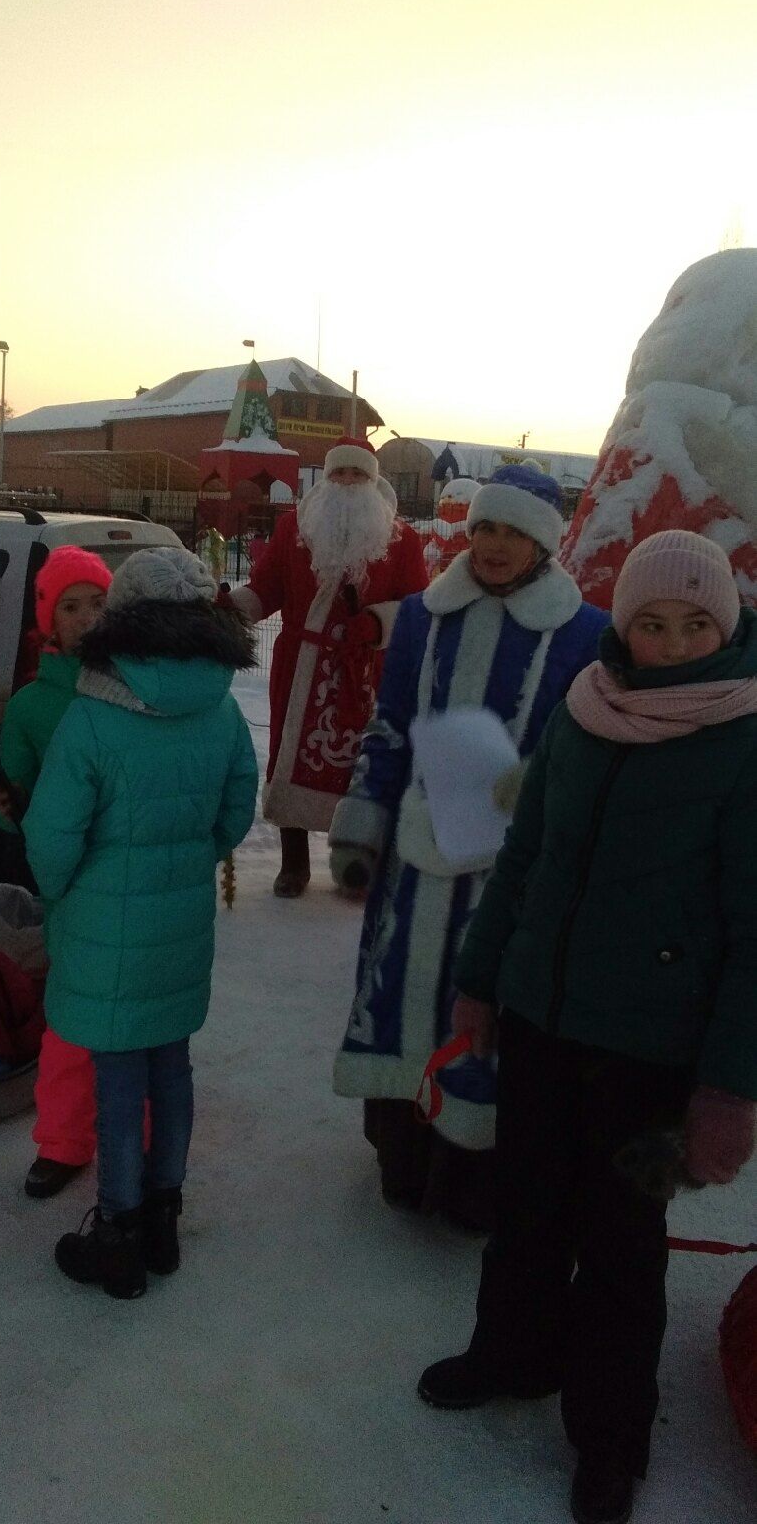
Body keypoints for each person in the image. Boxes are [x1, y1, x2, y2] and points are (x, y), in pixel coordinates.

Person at [417, 531, 757, 1524]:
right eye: (652, 623)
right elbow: (526, 859)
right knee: (524, 1204)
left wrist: (729, 1090)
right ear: (626, 626)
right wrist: (482, 983)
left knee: (619, 1245)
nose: (672, 641)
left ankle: (610, 1435)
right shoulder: (584, 711)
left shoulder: (743, 737)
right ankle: (511, 1353)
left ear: (724, 628)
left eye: (695, 624)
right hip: (540, 1018)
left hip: (650, 1052)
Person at [330, 466, 608, 1227]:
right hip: (412, 865)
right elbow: (389, 724)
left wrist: (538, 793)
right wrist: (363, 823)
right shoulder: (423, 616)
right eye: (485, 527)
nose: (494, 544)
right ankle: (403, 1158)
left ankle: (472, 1178)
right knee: (401, 997)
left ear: (544, 545)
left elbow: (590, 749)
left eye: (514, 532)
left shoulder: (585, 632)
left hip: (510, 873)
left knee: (482, 1018)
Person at [22, 547, 258, 1299]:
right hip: (180, 923)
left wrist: (63, 894)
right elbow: (234, 809)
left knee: (119, 1083)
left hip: (101, 928)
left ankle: (118, 1233)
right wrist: (187, 861)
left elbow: (52, 832)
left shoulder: (94, 714)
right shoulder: (220, 707)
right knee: (172, 1071)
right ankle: (163, 1218)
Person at [230, 438, 427, 897]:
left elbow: (417, 606)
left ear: (373, 481)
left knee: (365, 765)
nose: (347, 482)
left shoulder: (402, 540)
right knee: (291, 753)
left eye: (358, 474)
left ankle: (356, 862)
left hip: (366, 670)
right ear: (327, 479)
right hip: (302, 664)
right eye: (339, 473)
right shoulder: (293, 530)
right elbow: (267, 588)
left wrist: (378, 623)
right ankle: (294, 862)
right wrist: (228, 611)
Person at [0, 545, 113, 1199]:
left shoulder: (139, 686)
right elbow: (19, 812)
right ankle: (64, 1142)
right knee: (70, 1019)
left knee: (136, 1027)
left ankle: (139, 1143)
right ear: (48, 621)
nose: (88, 617)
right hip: (71, 888)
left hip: (134, 880)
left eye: (98, 602)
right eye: (71, 606)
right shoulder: (32, 706)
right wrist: (7, 807)